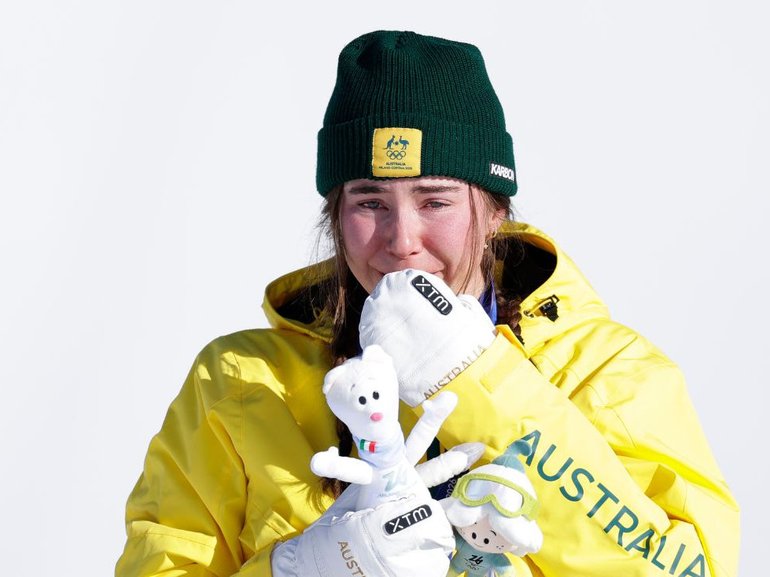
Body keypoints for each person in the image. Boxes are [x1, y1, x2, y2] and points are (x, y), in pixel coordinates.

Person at [115, 30, 740, 577]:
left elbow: (690, 568)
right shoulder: (242, 383)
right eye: (369, 202)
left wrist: (476, 380)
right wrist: (301, 567)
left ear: (493, 210)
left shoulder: (609, 372)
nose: (401, 240)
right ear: (334, 215)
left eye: (435, 200)